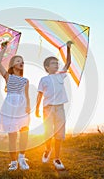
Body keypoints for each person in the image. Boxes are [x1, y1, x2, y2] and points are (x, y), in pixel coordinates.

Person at [35, 40, 72, 170]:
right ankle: (47, 149)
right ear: (47, 67)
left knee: (59, 134)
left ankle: (56, 159)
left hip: (60, 108)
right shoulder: (43, 79)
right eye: (53, 63)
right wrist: (37, 109)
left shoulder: (60, 76)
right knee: (48, 132)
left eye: (57, 63)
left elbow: (68, 63)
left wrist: (68, 48)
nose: (56, 65)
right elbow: (39, 94)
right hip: (48, 109)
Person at [0, 41, 31, 171]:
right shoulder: (8, 77)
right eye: (18, 60)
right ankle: (13, 162)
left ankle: (22, 158)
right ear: (12, 64)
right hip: (10, 107)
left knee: (24, 132)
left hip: (22, 107)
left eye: (22, 61)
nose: (21, 62)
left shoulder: (25, 80)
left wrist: (28, 107)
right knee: (12, 135)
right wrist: (3, 50)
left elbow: (27, 95)